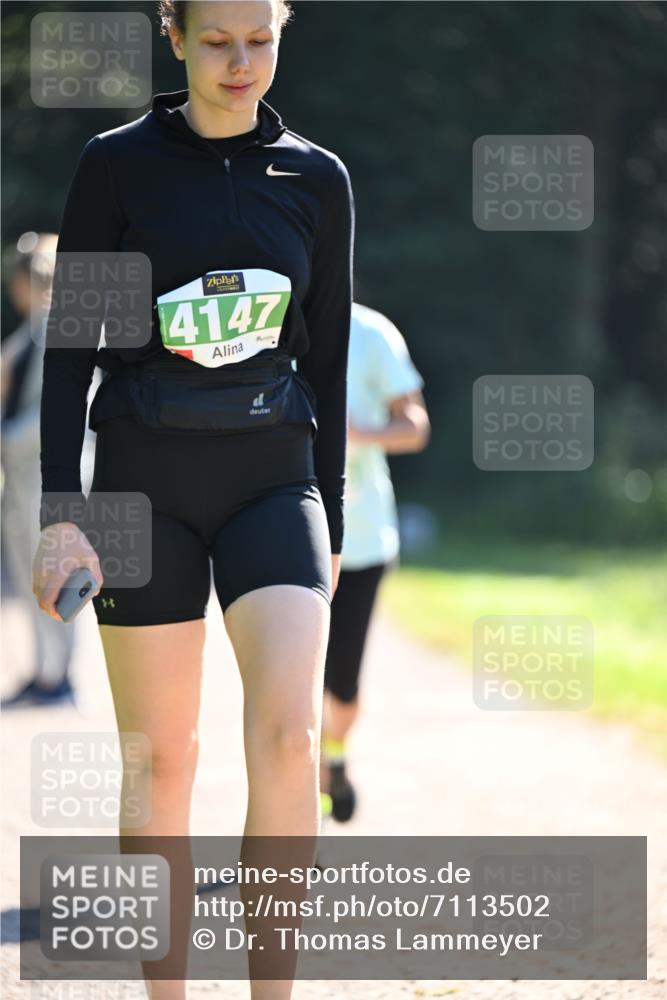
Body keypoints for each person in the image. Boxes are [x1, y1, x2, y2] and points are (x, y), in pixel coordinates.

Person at [31, 2, 354, 998]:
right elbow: (71, 351)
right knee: (162, 761)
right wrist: (60, 515)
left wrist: (330, 514)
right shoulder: (118, 163)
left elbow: (330, 353)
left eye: (260, 39)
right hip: (141, 488)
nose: (241, 61)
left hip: (273, 479)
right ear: (172, 37)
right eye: (217, 40)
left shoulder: (317, 178)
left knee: (290, 734)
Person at [320, 301, 430, 822]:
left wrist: (358, 433)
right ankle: (304, 815)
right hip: (285, 538)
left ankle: (334, 756)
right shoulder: (263, 322)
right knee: (291, 684)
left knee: (341, 687)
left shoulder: (371, 332)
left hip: (362, 540)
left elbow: (415, 426)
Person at [1, 232, 97, 708]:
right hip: (20, 479)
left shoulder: (57, 327)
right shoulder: (32, 329)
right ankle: (44, 672)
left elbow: (52, 415)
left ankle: (58, 676)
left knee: (54, 577)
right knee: (27, 577)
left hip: (46, 475)